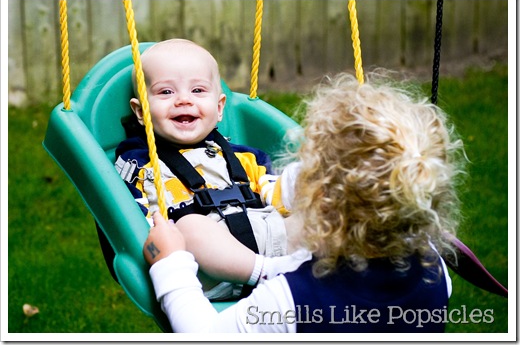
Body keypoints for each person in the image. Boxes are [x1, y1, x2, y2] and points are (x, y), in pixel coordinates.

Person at [143, 71, 467, 332]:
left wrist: (171, 264)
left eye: (307, 167)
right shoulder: (435, 273)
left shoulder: (291, 301)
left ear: (321, 202)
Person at [114, 39, 305, 301]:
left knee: (316, 215)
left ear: (219, 107)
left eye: (198, 90)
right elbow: (130, 220)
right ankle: (268, 274)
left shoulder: (245, 157)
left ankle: (338, 268)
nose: (183, 100)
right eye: (166, 92)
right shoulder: (141, 165)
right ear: (140, 111)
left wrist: (302, 185)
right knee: (190, 226)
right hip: (205, 270)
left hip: (270, 246)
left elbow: (277, 198)